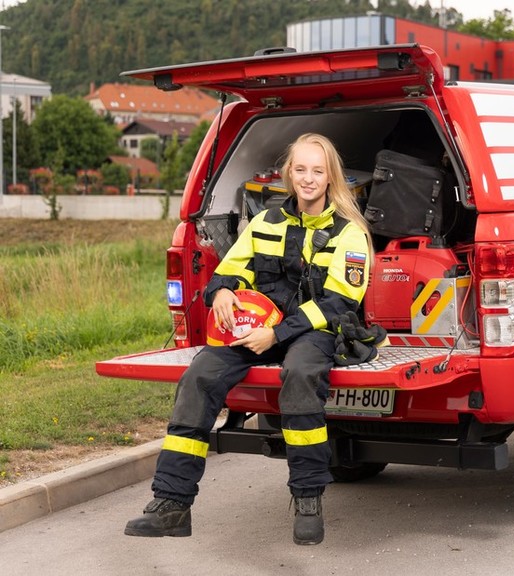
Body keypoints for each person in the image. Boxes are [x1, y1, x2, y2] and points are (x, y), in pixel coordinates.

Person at [125, 133, 371, 546]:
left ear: (330, 177)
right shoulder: (264, 222)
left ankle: (307, 500)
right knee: (200, 376)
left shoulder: (350, 234)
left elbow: (338, 304)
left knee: (300, 377)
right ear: (288, 174)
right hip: (259, 329)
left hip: (313, 332)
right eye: (300, 169)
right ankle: (172, 504)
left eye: (317, 171)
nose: (308, 178)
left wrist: (276, 334)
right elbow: (231, 269)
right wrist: (222, 290)